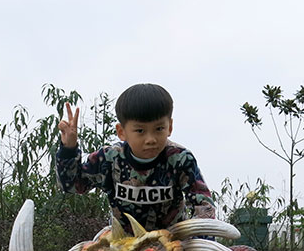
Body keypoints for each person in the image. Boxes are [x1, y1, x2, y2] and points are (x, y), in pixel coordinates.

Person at [56, 83, 215, 231]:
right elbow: (72, 185)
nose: (150, 139)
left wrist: (198, 248)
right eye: (140, 131)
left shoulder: (180, 159)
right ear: (121, 132)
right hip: (124, 248)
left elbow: (204, 205)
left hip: (173, 246)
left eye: (159, 128)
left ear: (170, 127)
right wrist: (68, 149)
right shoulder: (109, 159)